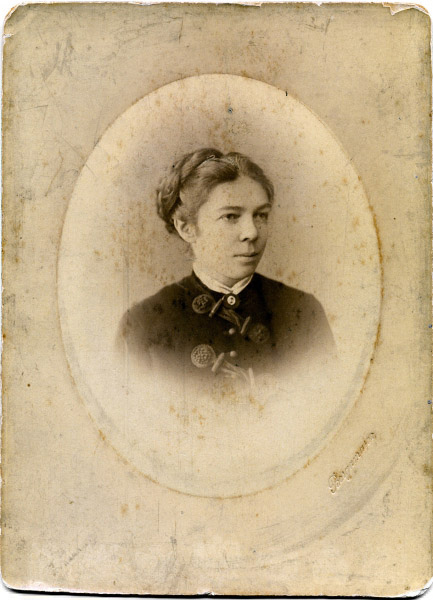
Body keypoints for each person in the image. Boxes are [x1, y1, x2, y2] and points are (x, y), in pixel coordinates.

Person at [117, 148, 334, 389]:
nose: (252, 232)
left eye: (261, 215)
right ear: (187, 228)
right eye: (231, 216)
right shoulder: (142, 326)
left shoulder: (303, 312)